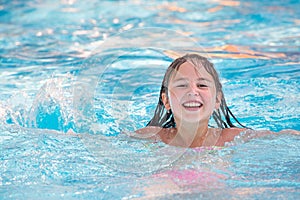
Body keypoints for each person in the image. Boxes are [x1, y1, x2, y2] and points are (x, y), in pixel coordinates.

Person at [134, 53, 298, 148]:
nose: (192, 91)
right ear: (166, 101)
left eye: (202, 85)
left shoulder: (230, 138)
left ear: (217, 99)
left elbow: (283, 137)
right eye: (182, 85)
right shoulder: (153, 137)